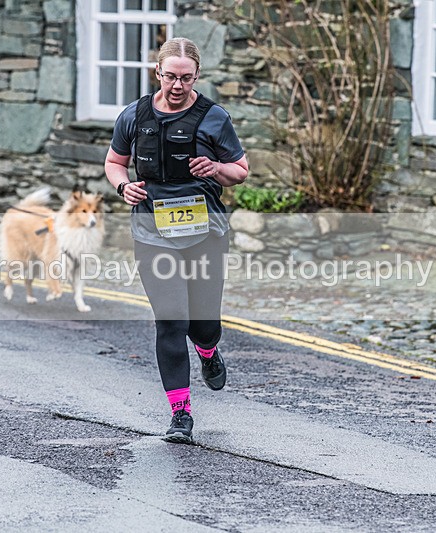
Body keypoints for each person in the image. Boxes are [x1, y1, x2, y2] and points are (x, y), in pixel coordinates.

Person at [104, 37, 248, 443]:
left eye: (186, 78)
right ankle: (180, 414)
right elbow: (115, 162)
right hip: (153, 232)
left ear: (196, 76)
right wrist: (123, 187)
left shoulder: (214, 117)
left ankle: (207, 350)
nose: (178, 85)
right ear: (158, 73)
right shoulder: (134, 115)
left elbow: (240, 170)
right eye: (171, 76)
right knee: (170, 320)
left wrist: (217, 167)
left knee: (202, 324)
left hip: (205, 234)